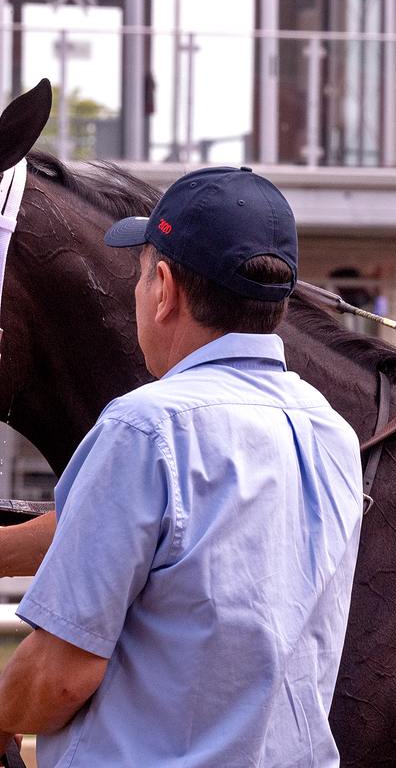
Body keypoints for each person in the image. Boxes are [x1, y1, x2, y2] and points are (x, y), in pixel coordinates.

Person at [0, 167, 364, 766]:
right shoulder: (330, 431)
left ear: (164, 287)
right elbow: (174, 542)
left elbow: (59, 677)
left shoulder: (143, 427)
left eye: (140, 275)